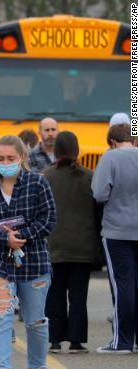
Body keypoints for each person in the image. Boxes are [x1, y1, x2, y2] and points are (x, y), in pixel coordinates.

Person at [0, 135, 57, 369]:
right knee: (1, 314)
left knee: (35, 321)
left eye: (11, 158)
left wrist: (23, 237)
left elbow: (49, 218)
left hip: (34, 260)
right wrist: (5, 239)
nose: (5, 163)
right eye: (1, 159)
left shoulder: (38, 183)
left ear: (21, 158)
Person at [43, 131, 100, 354]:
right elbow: (97, 211)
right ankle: (76, 341)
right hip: (82, 246)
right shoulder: (89, 176)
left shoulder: (46, 176)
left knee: (54, 293)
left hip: (54, 245)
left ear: (56, 150)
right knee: (78, 295)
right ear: (77, 150)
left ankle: (55, 339)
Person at [92, 124, 138, 354]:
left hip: (117, 230)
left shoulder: (110, 159)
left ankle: (122, 341)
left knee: (123, 286)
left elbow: (99, 193)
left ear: (112, 141)